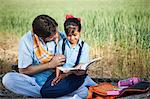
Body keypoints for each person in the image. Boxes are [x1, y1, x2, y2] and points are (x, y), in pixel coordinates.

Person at [2, 14, 66, 97]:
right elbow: (23, 70)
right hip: (35, 81)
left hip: (58, 78)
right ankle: (49, 93)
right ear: (40, 37)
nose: (56, 35)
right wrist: (50, 65)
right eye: (52, 36)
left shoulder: (61, 36)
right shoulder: (27, 41)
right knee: (8, 80)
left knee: (83, 87)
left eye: (56, 31)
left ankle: (52, 93)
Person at [40, 15, 97, 98]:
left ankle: (83, 85)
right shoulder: (61, 43)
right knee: (44, 91)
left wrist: (67, 74)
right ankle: (80, 91)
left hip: (76, 76)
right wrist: (57, 77)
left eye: (75, 35)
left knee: (49, 93)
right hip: (61, 73)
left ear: (80, 32)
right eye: (69, 36)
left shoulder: (84, 47)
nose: (72, 38)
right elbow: (58, 64)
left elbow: (81, 69)